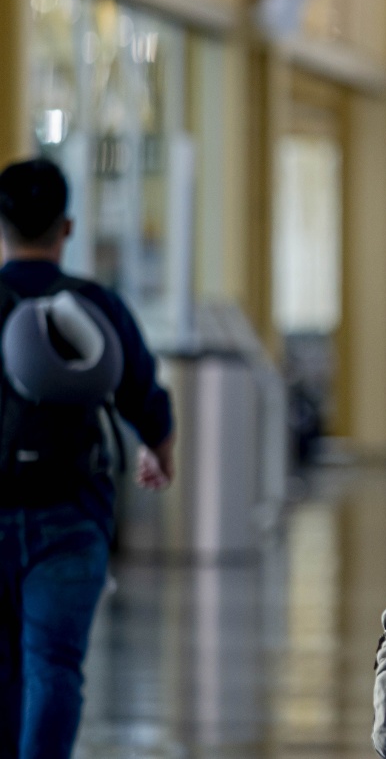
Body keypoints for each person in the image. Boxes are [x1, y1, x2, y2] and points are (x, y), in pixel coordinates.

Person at [1, 158, 175, 759]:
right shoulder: (95, 306)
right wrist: (160, 451)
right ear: (66, 228)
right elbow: (146, 396)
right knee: (53, 665)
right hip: (71, 517)